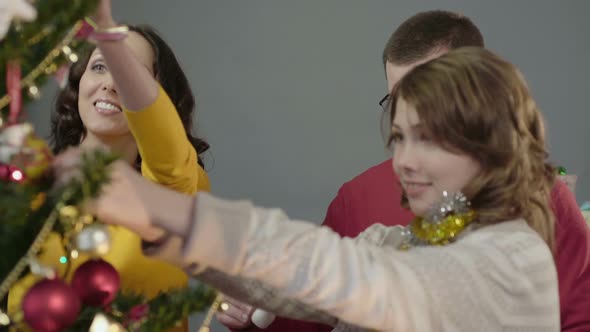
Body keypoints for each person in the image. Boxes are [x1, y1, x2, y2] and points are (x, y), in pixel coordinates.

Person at [56, 47, 560, 331]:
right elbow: (287, 282)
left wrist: (173, 214)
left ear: (489, 147)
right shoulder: (399, 241)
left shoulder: (514, 259)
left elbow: (344, 273)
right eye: (400, 137)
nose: (403, 160)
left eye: (429, 139)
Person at [218, 10, 590, 332]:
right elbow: (308, 309)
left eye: (432, 96)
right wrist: (248, 312)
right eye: (396, 102)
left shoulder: (533, 214)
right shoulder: (359, 202)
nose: (406, 161)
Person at [8, 1, 209, 331]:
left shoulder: (177, 189)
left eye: (130, 72)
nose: (110, 83)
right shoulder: (30, 186)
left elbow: (167, 150)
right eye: (100, 66)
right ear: (80, 80)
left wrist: (105, 30)